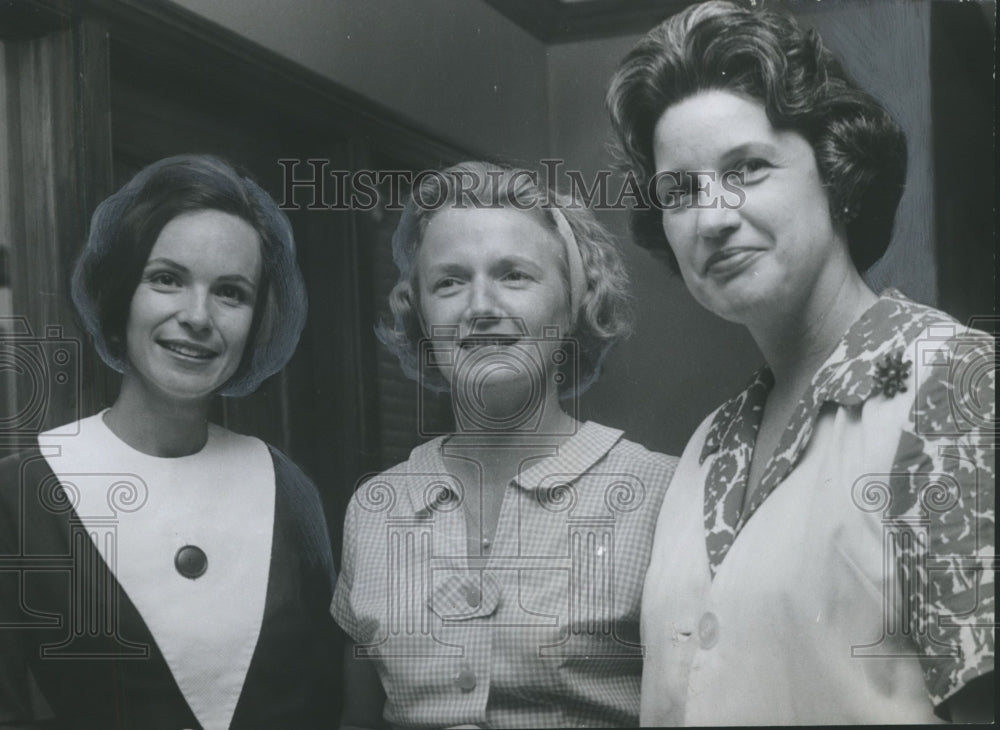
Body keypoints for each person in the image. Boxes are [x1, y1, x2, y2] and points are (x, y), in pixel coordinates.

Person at [606, 1, 994, 725]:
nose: (711, 217)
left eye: (746, 168)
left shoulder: (960, 390)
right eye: (678, 191)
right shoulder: (707, 447)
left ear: (836, 174)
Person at [332, 160, 677, 728]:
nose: (481, 308)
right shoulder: (375, 509)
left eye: (514, 275)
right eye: (449, 281)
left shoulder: (660, 495)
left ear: (573, 303)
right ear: (419, 314)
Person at [0, 155, 339, 728]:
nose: (198, 316)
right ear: (120, 294)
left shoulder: (287, 487)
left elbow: (327, 700)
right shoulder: (22, 494)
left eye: (231, 292)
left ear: (258, 323)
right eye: (166, 279)